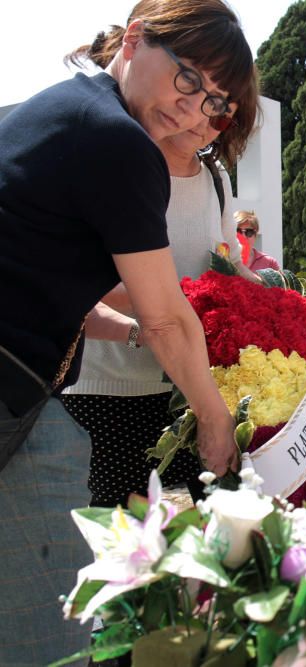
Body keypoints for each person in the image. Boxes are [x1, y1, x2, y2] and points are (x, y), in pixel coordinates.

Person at [0, 1, 255, 662]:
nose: (196, 107)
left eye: (216, 101)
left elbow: (75, 296)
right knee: (53, 635)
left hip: (28, 393)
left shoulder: (63, 108)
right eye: (189, 78)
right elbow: (167, 315)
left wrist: (138, 333)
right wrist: (213, 415)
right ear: (136, 39)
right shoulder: (120, 142)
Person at [62, 89, 259, 508]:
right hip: (109, 394)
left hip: (192, 391)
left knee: (215, 540)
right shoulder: (120, 166)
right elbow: (82, 283)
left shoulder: (215, 178)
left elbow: (228, 261)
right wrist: (161, 315)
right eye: (204, 103)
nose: (207, 122)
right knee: (120, 548)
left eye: (223, 118)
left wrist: (273, 299)